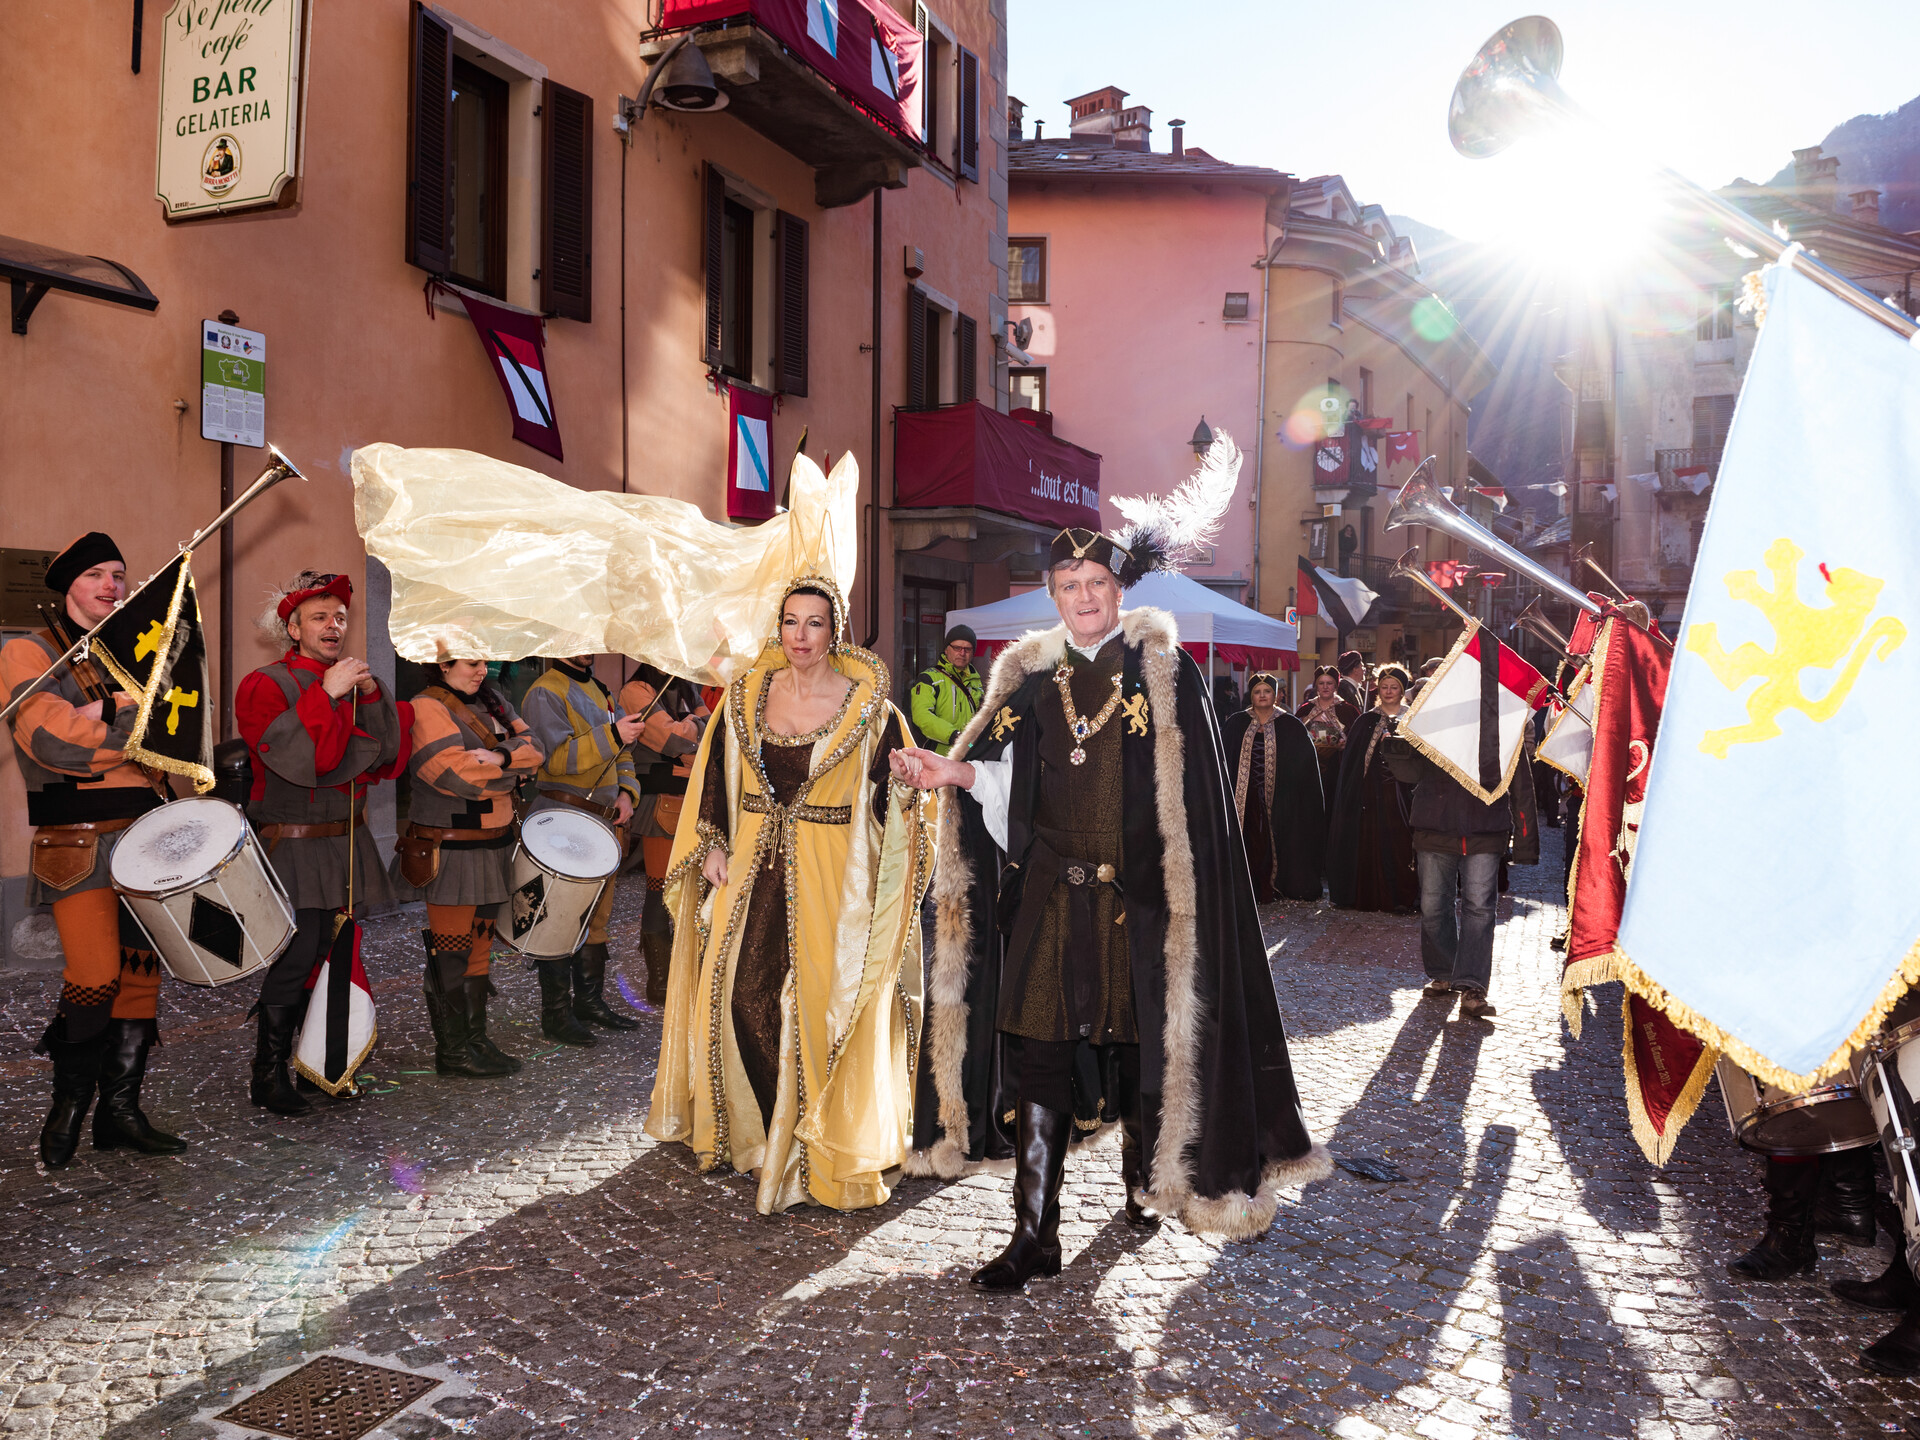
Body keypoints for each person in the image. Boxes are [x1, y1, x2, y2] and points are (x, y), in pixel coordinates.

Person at [894, 515, 1330, 1290]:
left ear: (1117, 590)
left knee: (1141, 1047)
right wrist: (951, 774)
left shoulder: (1164, 672)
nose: (1084, 597)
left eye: (1096, 584)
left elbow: (1195, 807)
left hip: (1140, 906)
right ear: (1053, 596)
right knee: (1040, 1061)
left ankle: (1143, 1179)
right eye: (1069, 586)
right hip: (1052, 902)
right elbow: (1008, 785)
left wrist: (1173, 891)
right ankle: (1035, 1234)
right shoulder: (1028, 680)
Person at [645, 575, 935, 1213]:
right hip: (751, 869)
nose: (801, 636)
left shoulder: (872, 711)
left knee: (822, 1008)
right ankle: (757, 1135)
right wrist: (714, 842)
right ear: (777, 628)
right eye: (790, 622)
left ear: (835, 633)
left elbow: (897, 799)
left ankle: (812, 1142)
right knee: (741, 995)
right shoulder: (744, 697)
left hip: (833, 876)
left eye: (815, 623)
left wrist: (911, 788)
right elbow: (717, 778)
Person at [3, 533, 185, 1167]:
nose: (113, 586)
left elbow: (172, 740)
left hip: (147, 837)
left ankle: (120, 1114)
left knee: (140, 979)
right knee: (94, 977)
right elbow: (52, 739)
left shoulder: (130, 657)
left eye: (120, 574)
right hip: (77, 842)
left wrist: (111, 714)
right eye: (99, 575)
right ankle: (67, 1115)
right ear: (70, 586)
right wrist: (124, 716)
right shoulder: (30, 652)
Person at [236, 571, 406, 1116]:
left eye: (340, 618)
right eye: (319, 617)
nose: (333, 627)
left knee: (331, 956)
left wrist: (372, 694)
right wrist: (326, 694)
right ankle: (268, 1073)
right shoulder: (265, 683)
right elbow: (300, 761)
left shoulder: (348, 682)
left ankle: (315, 1062)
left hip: (345, 842)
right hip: (295, 842)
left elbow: (384, 756)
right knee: (297, 954)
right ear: (292, 627)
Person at [391, 657, 543, 1077]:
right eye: (472, 663)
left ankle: (475, 1039)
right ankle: (453, 1051)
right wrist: (512, 769)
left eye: (484, 663)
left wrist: (498, 759)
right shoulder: (427, 707)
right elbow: (456, 776)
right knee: (451, 955)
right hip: (451, 850)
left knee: (479, 951)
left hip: (493, 845)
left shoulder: (493, 702)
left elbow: (536, 749)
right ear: (442, 665)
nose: (482, 671)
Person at [521, 655, 647, 1044]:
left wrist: (627, 792)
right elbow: (555, 761)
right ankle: (556, 1015)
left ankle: (589, 1001)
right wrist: (612, 735)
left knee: (596, 916)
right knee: (558, 917)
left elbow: (623, 755)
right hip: (562, 818)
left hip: (603, 821)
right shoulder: (545, 691)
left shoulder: (602, 690)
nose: (588, 647)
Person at [1382, 716, 1539, 1019]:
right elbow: (1409, 772)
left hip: (1485, 828)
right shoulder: (1431, 716)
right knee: (1433, 906)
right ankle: (1443, 971)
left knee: (1479, 908)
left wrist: (1525, 842)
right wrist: (1400, 738)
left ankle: (1472, 985)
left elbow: (1521, 782)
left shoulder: (1505, 721)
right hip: (1435, 826)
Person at [619, 663, 709, 1007]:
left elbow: (713, 733)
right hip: (661, 806)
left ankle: (684, 975)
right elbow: (673, 740)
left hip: (693, 802)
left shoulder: (686, 687)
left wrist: (692, 730)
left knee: (693, 893)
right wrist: (695, 728)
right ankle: (660, 980)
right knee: (659, 891)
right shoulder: (637, 690)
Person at [1217, 672, 1324, 903]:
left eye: (1267, 691)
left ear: (1275, 695)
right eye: (1257, 691)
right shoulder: (1237, 723)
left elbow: (1304, 765)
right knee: (1249, 839)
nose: (1262, 695)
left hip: (1280, 798)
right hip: (1245, 798)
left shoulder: (1291, 725)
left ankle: (1277, 883)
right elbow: (1223, 758)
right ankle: (1246, 885)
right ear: (1251, 695)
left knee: (1277, 837)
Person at [1325, 662, 1420, 913]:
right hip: (1371, 794)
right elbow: (1354, 764)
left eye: (1394, 687)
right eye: (1385, 687)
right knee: (1371, 843)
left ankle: (1401, 896)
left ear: (1402, 690)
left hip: (1404, 795)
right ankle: (1370, 895)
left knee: (1402, 844)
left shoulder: (1414, 719)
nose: (1388, 691)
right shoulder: (1366, 721)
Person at [908, 624, 983, 755]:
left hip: (967, 755)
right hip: (936, 757)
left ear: (972, 653)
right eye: (957, 648)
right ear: (946, 649)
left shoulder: (976, 682)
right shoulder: (929, 678)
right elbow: (922, 716)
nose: (962, 653)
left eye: (967, 649)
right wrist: (953, 735)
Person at [1297, 665, 1360, 815]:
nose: (1325, 687)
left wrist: (1345, 745)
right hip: (1310, 768)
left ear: (1336, 685)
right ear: (1316, 686)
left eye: (1329, 683)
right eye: (1321, 683)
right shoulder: (1305, 709)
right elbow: (1294, 738)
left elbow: (1357, 740)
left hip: (1337, 769)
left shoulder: (1348, 710)